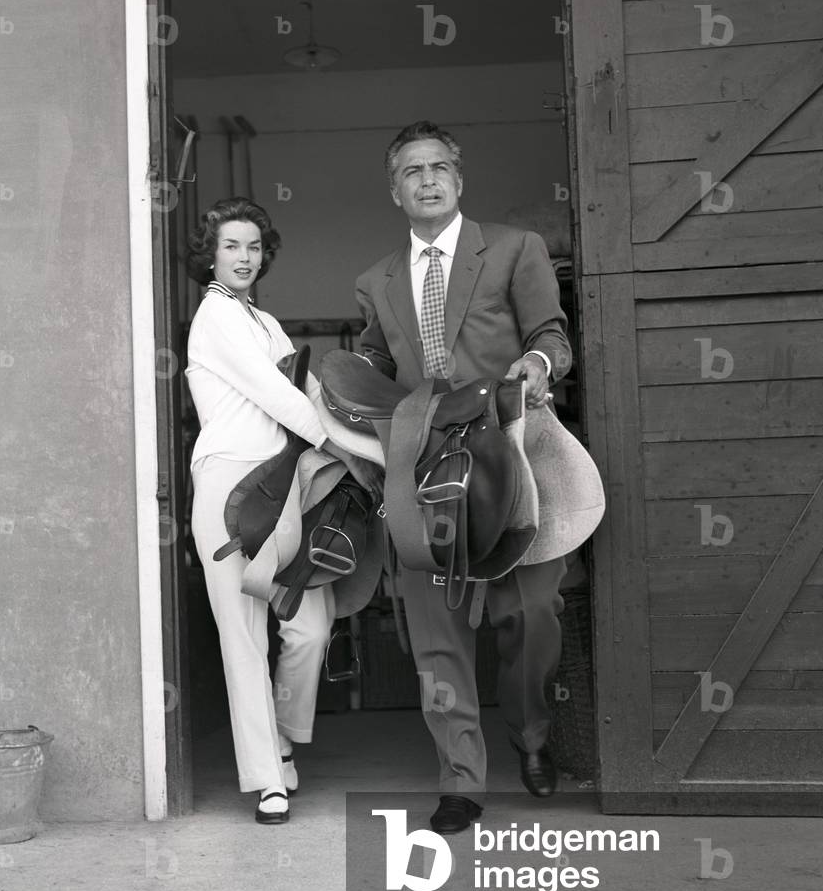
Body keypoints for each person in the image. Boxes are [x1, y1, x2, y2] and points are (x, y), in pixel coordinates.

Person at [355, 121, 573, 835]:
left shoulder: (515, 248)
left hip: (511, 454)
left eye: (440, 166)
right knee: (434, 628)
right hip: (423, 468)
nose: (427, 178)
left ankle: (531, 734)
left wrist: (539, 367)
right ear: (394, 190)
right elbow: (370, 369)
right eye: (412, 170)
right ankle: (460, 780)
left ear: (459, 179)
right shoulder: (375, 282)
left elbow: (550, 333)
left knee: (529, 612)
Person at [185, 196, 380, 825]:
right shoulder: (215, 316)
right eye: (231, 246)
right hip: (228, 485)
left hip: (284, 484)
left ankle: (286, 737)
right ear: (211, 254)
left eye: (253, 247)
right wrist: (347, 453)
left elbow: (310, 394)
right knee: (242, 637)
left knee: (309, 627)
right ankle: (267, 778)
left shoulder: (263, 322)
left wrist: (365, 437)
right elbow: (277, 395)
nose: (244, 257)